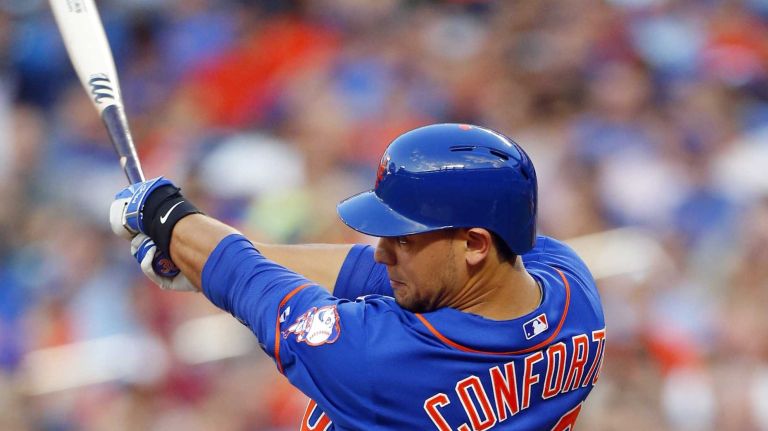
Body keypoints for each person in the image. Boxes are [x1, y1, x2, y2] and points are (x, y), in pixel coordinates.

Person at [110, 123, 606, 430]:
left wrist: (168, 216)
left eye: (404, 239)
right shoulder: (570, 286)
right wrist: (196, 257)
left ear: (475, 243)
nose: (383, 252)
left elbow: (253, 287)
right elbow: (360, 271)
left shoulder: (385, 360)